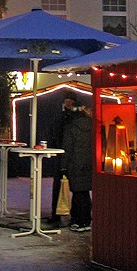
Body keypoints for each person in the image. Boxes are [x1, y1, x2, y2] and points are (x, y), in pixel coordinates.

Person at [47, 90, 80, 225]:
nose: (68, 103)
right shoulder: (68, 117)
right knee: (65, 186)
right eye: (67, 100)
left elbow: (54, 132)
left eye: (70, 101)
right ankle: (58, 214)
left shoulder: (69, 117)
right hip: (65, 154)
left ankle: (65, 215)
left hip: (67, 155)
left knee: (71, 187)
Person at [61, 105, 93, 232]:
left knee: (78, 193)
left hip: (75, 164)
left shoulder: (70, 127)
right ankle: (86, 220)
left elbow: (67, 148)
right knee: (85, 193)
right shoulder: (93, 126)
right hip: (89, 164)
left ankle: (78, 221)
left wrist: (63, 167)